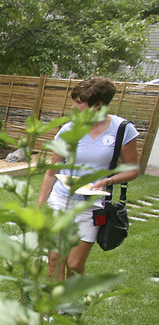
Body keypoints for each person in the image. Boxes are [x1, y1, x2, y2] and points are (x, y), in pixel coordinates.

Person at [37, 76, 139, 280]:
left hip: (93, 206)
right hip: (62, 200)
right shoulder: (69, 130)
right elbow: (52, 171)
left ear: (98, 105)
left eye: (79, 103)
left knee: (74, 264)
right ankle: (52, 307)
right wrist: (39, 206)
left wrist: (107, 181)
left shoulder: (122, 130)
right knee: (56, 258)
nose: (74, 107)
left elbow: (133, 170)